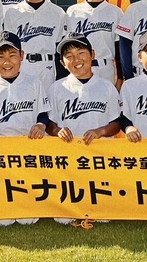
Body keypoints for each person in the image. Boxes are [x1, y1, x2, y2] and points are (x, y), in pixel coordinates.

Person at [46, 32, 121, 225]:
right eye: (69, 56)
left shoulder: (106, 87)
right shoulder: (57, 88)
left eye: (81, 53)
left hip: (100, 157)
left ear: (92, 54)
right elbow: (49, 122)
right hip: (70, 159)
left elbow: (116, 123)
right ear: (62, 63)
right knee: (63, 217)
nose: (76, 60)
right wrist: (57, 131)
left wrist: (100, 131)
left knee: (104, 215)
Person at [0, 31, 50, 226]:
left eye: (12, 55)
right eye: (0, 56)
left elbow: (43, 113)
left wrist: (41, 124)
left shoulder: (34, 83)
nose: (7, 61)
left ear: (22, 56)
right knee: (3, 220)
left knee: (29, 218)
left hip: (28, 150)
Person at [3, 0, 67, 88]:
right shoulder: (12, 13)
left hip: (47, 68)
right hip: (22, 67)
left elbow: (60, 48)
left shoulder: (58, 12)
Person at [65, 0, 123, 87]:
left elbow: (119, 49)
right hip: (78, 69)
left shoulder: (115, 12)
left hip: (105, 68)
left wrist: (120, 79)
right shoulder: (72, 12)